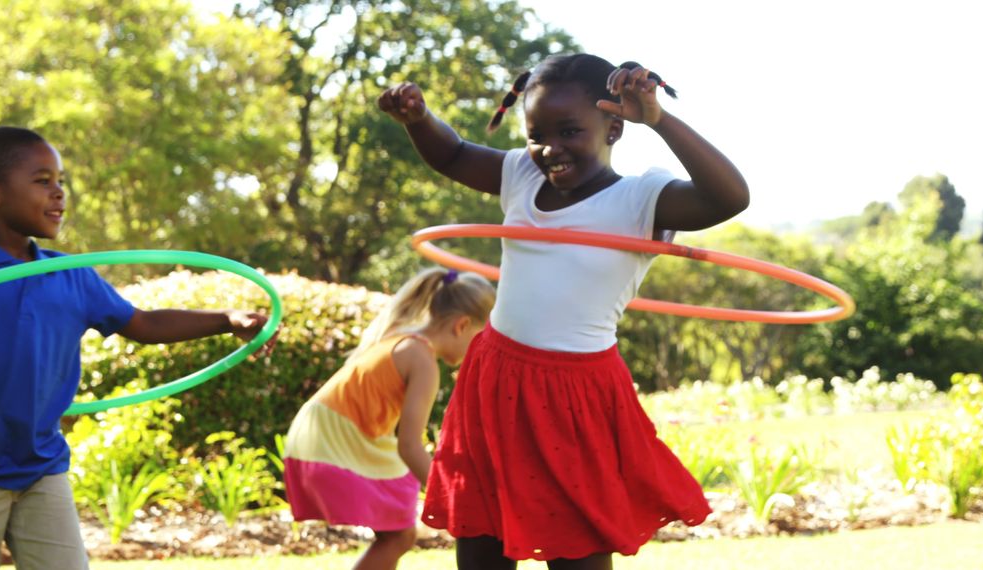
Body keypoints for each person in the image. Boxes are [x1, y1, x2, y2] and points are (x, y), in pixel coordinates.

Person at [378, 53, 750, 569]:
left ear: (614, 127)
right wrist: (419, 120)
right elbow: (455, 155)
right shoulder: (521, 176)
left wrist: (660, 120)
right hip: (495, 379)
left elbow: (728, 198)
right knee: (482, 542)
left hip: (577, 393)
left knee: (577, 551)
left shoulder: (642, 198)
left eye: (570, 131)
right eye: (537, 133)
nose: (550, 149)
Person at [0, 126, 279, 570]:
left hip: (41, 467)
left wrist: (226, 319)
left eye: (61, 181)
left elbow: (141, 323)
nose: (59, 194)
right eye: (42, 181)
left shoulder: (71, 274)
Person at [283, 267, 495, 570]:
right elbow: (408, 446)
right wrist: (449, 503)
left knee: (398, 534)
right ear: (461, 325)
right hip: (335, 440)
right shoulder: (421, 360)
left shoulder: (402, 338)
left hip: (322, 432)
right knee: (398, 536)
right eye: (479, 338)